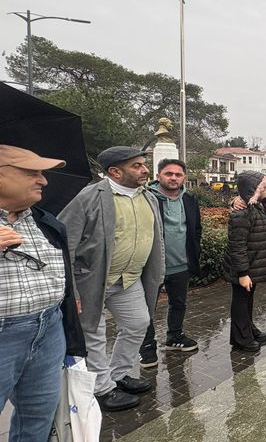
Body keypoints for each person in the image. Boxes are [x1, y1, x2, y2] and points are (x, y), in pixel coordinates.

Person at [60, 146, 165, 412]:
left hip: (128, 280)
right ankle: (102, 389)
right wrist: (72, 290)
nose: (144, 169)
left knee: (138, 323)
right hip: (93, 281)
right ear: (115, 172)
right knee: (94, 334)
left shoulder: (148, 196)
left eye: (143, 164)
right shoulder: (89, 197)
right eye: (136, 166)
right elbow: (65, 240)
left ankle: (119, 374)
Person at [0, 145, 86, 440]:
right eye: (31, 173)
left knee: (38, 417)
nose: (44, 180)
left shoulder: (46, 221)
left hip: (48, 329)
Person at [139, 159, 202, 369]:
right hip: (152, 266)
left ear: (184, 177)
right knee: (148, 308)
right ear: (158, 176)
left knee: (179, 303)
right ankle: (147, 347)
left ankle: (175, 337)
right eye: (169, 173)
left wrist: (194, 253)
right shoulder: (146, 199)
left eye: (178, 174)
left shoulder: (190, 200)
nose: (173, 178)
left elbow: (196, 229)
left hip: (181, 264)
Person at [226, 172, 266, 352]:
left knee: (247, 300)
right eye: (263, 186)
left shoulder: (257, 205)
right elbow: (237, 246)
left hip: (253, 264)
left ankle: (248, 327)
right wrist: (242, 273)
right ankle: (241, 337)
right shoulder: (242, 213)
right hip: (244, 268)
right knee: (240, 301)